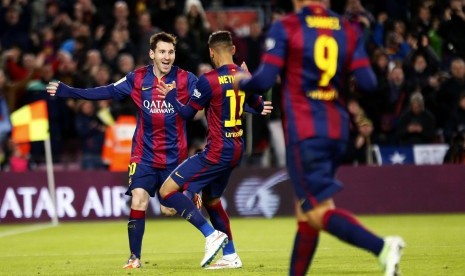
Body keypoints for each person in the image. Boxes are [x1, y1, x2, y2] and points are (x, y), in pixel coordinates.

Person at [234, 1, 405, 275]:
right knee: (306, 213)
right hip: (337, 131)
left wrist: (241, 80)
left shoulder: (286, 27)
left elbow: (264, 80)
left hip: (305, 131)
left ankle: (382, 247)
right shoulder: (347, 29)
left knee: (315, 211)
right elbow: (368, 82)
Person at [46, 32, 199, 269]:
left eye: (170, 52)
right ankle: (134, 257)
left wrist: (250, 104)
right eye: (162, 52)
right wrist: (68, 91)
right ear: (152, 54)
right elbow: (104, 91)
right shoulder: (137, 78)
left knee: (168, 209)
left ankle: (186, 196)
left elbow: (213, 98)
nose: (166, 57)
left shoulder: (186, 79)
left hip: (173, 157)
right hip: (144, 154)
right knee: (138, 199)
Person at [156, 30, 272, 269]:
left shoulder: (208, 79)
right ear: (232, 50)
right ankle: (230, 255)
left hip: (217, 150)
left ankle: (210, 234)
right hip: (236, 148)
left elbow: (188, 114)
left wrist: (170, 97)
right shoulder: (243, 76)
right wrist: (256, 97)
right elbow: (257, 104)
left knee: (167, 191)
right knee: (212, 200)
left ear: (211, 52)